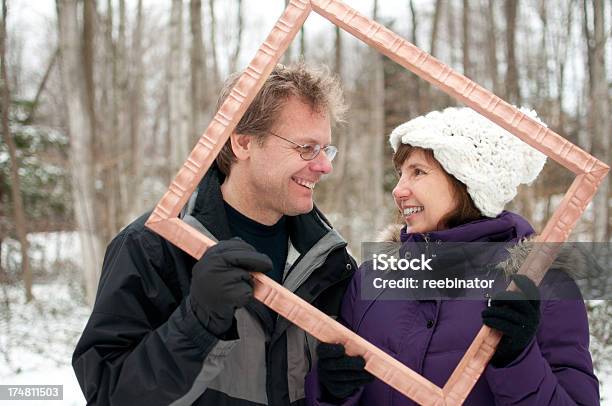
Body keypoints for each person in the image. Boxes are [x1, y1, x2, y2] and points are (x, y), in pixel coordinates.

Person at [73, 63, 358, 406]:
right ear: (243, 142)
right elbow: (106, 394)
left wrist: (330, 388)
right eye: (306, 148)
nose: (325, 165)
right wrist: (196, 324)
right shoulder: (153, 245)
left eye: (326, 149)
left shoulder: (330, 263)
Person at [305, 107, 599, 405]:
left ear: (468, 183)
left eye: (418, 172)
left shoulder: (542, 285)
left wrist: (518, 360)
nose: (398, 190)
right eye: (400, 174)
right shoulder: (371, 279)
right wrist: (330, 390)